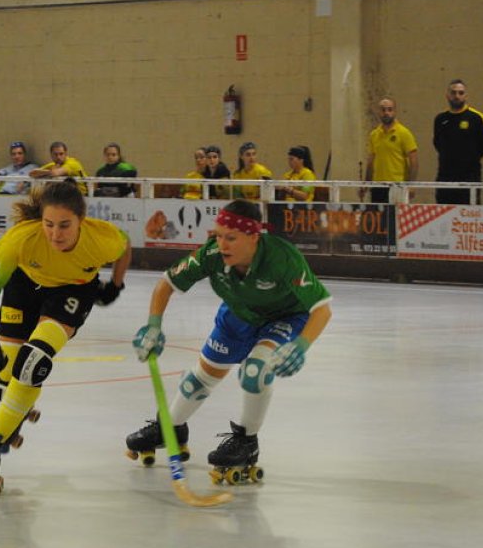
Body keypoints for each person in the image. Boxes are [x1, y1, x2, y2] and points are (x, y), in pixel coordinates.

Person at [126, 199, 332, 483]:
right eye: (219, 236)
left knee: (255, 372)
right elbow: (166, 284)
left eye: (231, 238)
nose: (222, 244)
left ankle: (246, 442)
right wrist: (153, 326)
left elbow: (322, 308)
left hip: (284, 317)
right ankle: (170, 428)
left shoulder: (282, 258)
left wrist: (301, 345)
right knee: (198, 380)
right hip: (237, 315)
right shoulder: (212, 254)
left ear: (254, 237)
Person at [0, 178, 132, 493]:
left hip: (72, 290)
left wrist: (116, 283)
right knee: (4, 377)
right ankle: (14, 411)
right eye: (48, 224)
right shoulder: (20, 239)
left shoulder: (102, 239)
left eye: (64, 226)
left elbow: (124, 248)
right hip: (24, 286)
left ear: (81, 221)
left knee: (33, 364)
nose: (55, 234)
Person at [433, 79, 483, 205]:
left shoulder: (477, 118)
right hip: (445, 178)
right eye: (453, 93)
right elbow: (437, 143)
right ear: (447, 95)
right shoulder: (440, 119)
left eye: (461, 93)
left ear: (466, 96)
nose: (457, 96)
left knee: (469, 216)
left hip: (470, 178)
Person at [362, 97, 418, 203]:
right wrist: (366, 184)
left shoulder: (404, 133)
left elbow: (414, 162)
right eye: (383, 110)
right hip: (377, 186)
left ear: (395, 111)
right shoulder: (374, 135)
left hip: (398, 186)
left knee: (396, 218)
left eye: (389, 109)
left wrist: (411, 186)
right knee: (380, 218)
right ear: (378, 112)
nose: (386, 113)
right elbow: (370, 162)